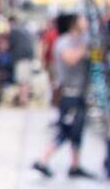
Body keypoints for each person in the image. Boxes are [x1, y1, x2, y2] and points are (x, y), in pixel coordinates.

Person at [33, 13, 92, 178]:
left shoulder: (80, 40)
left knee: (77, 131)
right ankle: (42, 160)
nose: (86, 22)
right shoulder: (65, 42)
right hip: (69, 94)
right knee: (65, 130)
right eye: (83, 19)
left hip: (80, 93)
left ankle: (75, 165)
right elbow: (70, 59)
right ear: (73, 23)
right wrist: (86, 47)